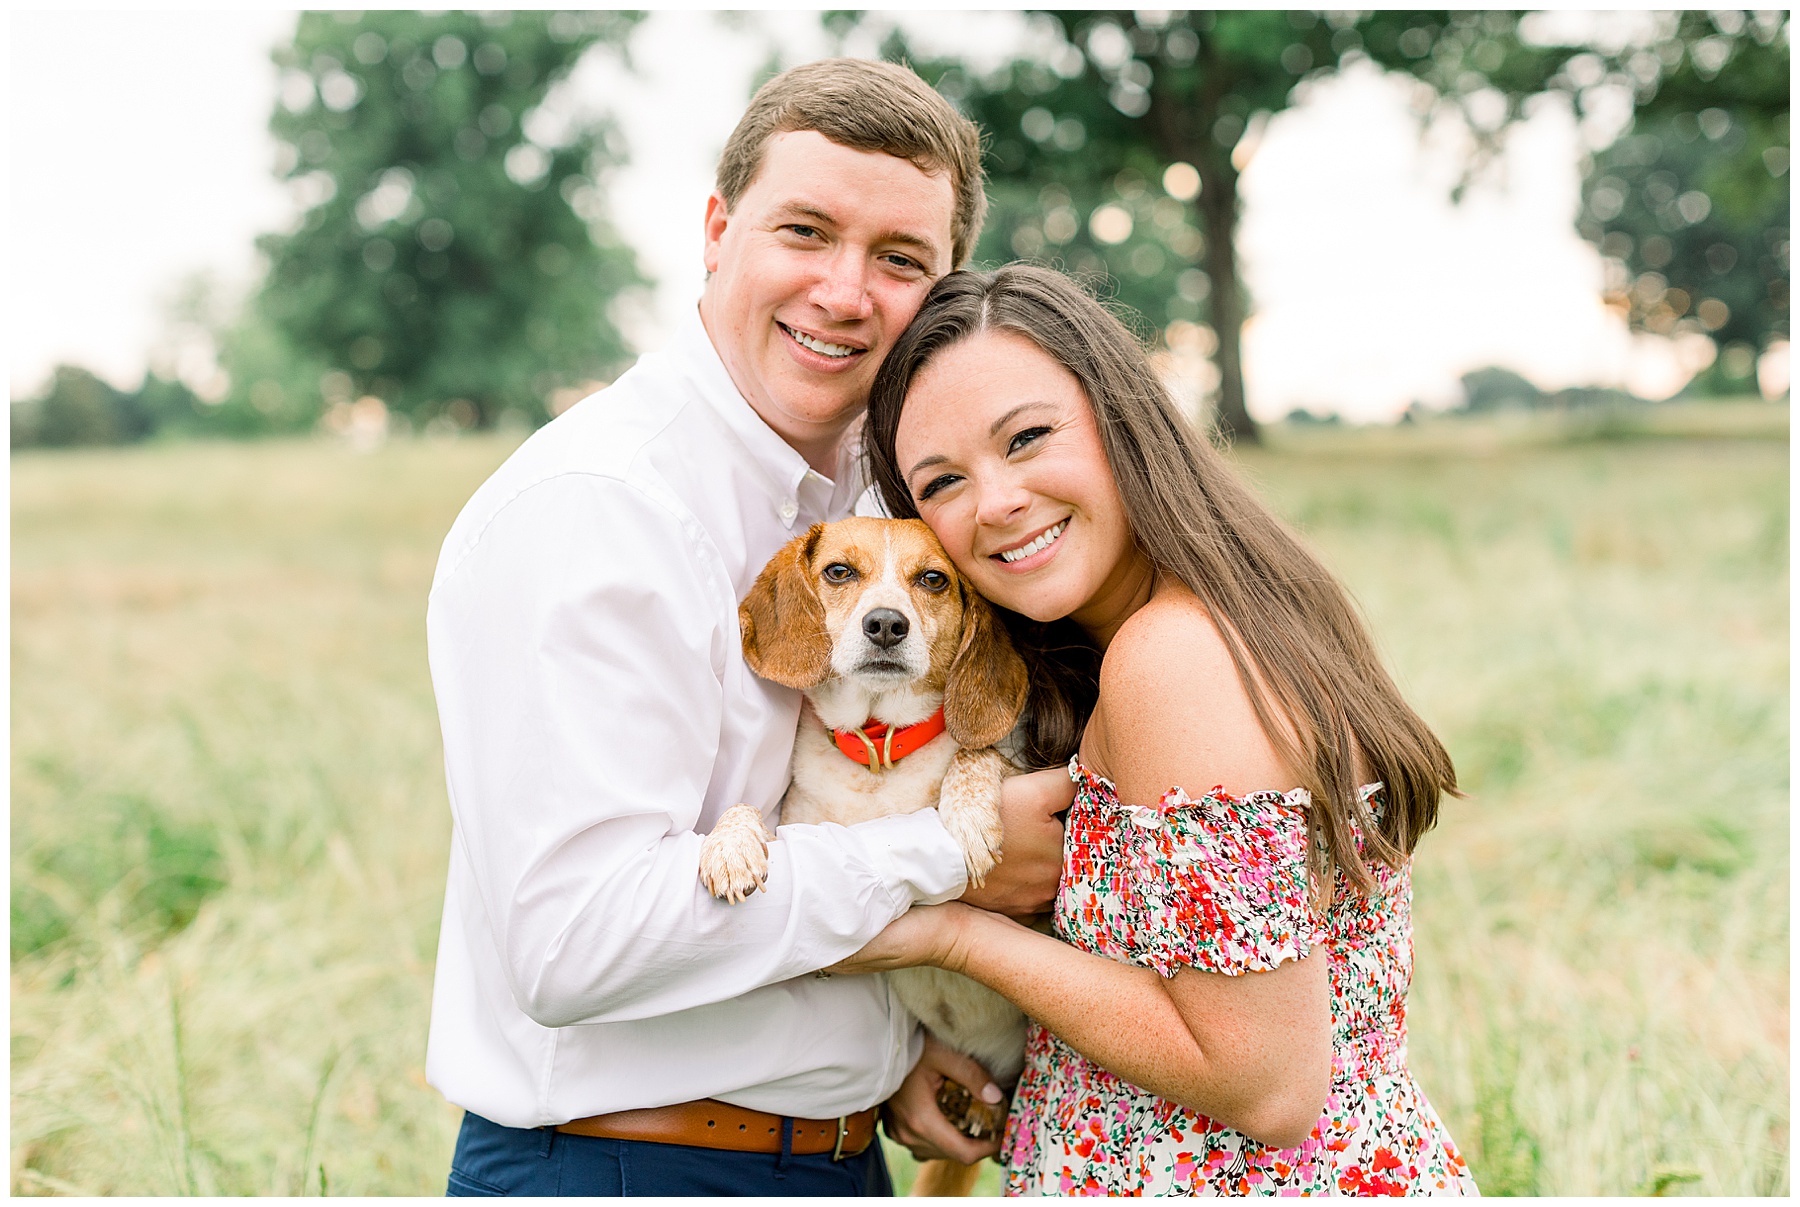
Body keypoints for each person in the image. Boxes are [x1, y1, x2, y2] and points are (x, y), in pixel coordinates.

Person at [423, 61, 1069, 1197]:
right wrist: (950, 860)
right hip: (623, 1164)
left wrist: (885, 1056)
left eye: (901, 260)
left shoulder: (883, 502)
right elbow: (573, 941)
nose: (845, 292)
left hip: (837, 1152)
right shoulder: (592, 508)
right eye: (806, 231)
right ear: (718, 231)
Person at [842, 265, 1480, 1195]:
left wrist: (949, 933)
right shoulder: (1195, 624)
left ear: (1122, 417)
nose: (996, 502)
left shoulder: (1172, 657)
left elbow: (1264, 1084)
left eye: (1027, 437)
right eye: (942, 482)